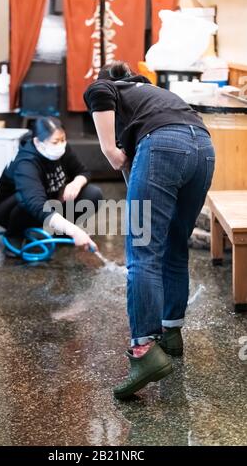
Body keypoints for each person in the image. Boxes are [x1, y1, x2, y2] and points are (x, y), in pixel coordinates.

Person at [84, 61, 215, 399]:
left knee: (142, 252)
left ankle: (144, 351)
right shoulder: (152, 92)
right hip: (203, 147)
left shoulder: (110, 86)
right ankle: (171, 334)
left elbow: (97, 91)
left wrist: (110, 150)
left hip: (163, 146)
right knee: (174, 244)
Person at [0, 117, 101, 253]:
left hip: (49, 201)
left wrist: (76, 183)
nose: (61, 145)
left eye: (63, 139)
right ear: (38, 142)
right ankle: (14, 235)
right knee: (25, 200)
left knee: (93, 194)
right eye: (55, 142)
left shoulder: (62, 148)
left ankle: (58, 231)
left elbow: (83, 171)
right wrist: (75, 231)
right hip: (12, 211)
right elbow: (37, 205)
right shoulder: (26, 163)